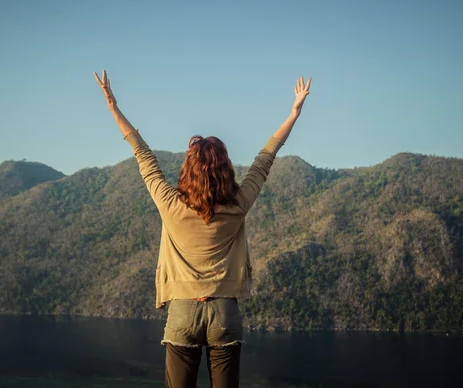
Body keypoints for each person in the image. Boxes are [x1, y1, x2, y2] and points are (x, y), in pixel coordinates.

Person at [94, 70, 311, 388]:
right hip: (225, 313)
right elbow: (266, 158)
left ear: (188, 169)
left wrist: (113, 107)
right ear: (225, 168)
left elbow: (143, 154)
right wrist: (294, 113)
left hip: (182, 313)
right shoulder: (237, 205)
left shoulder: (170, 204)